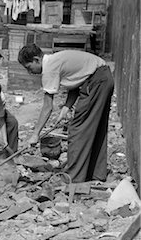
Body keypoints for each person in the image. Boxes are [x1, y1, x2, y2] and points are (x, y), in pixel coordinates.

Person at [18, 44, 114, 183]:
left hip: (97, 82)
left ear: (36, 59)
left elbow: (47, 106)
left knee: (77, 130)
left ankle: (74, 178)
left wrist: (35, 135)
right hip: (103, 78)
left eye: (29, 67)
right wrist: (65, 109)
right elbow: (75, 83)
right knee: (95, 129)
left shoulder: (49, 69)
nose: (29, 72)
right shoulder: (55, 60)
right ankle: (96, 174)